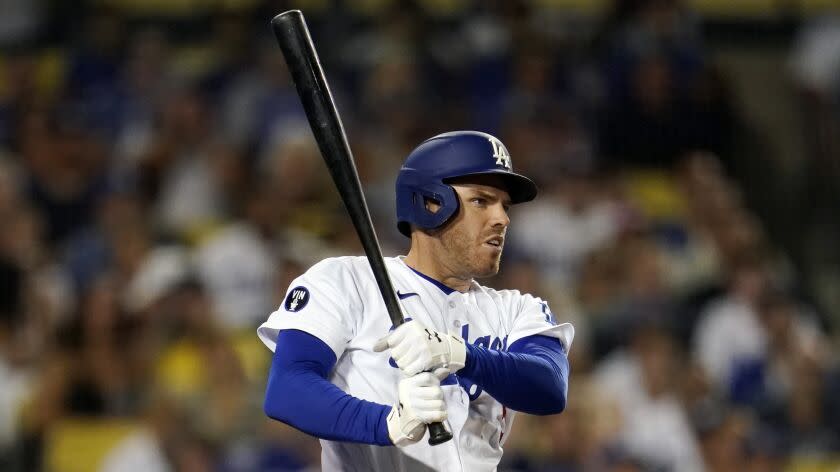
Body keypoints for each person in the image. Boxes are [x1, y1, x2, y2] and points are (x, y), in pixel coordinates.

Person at [258, 131, 574, 471]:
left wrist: (459, 354)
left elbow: (549, 386)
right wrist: (389, 423)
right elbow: (287, 388)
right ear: (430, 202)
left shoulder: (516, 309)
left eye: (504, 205)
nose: (502, 218)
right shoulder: (348, 281)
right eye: (482, 201)